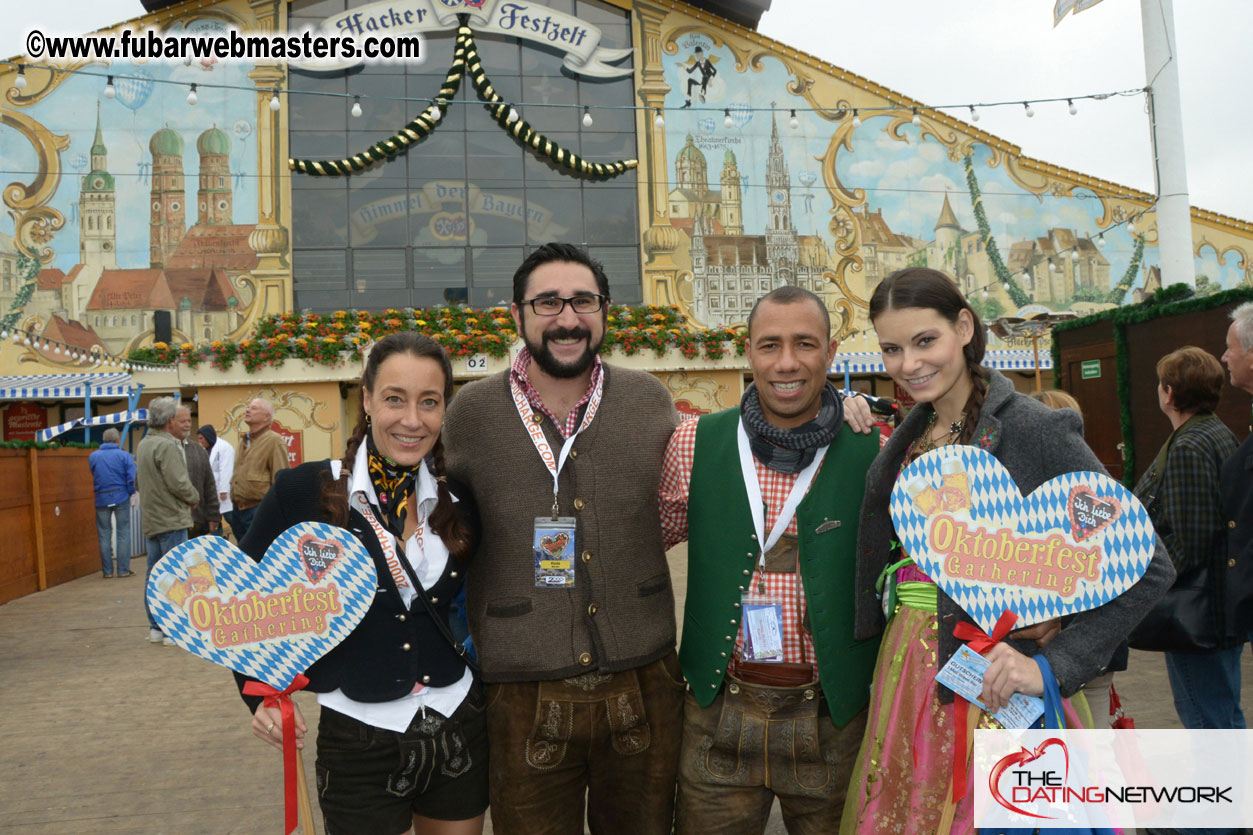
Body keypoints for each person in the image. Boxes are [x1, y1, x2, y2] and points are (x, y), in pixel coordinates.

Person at [842, 267, 1174, 834]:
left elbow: (1148, 565)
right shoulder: (910, 431)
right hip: (907, 677)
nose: (909, 364)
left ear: (964, 327)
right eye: (892, 349)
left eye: (926, 340)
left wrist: (1056, 657)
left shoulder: (1034, 429)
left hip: (994, 687)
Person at [443, 243, 684, 835]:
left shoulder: (650, 399)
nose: (568, 318)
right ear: (518, 315)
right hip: (520, 687)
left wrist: (848, 406)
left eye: (583, 301)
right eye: (548, 302)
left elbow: (733, 457)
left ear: (605, 311)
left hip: (643, 673)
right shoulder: (469, 413)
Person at [237, 333, 486, 835]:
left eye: (429, 402)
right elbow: (242, 600)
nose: (412, 420)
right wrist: (258, 695)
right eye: (395, 398)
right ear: (367, 398)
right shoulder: (304, 492)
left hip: (458, 723)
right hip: (358, 736)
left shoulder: (459, 497)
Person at [659, 286, 880, 833]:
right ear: (748, 351)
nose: (786, 362)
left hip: (836, 716)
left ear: (830, 353)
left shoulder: (875, 448)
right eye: (770, 345)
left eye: (805, 344)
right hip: (717, 710)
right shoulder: (693, 442)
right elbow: (640, 545)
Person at [1134, 347, 1241, 729]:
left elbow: (1191, 540)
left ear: (1169, 393)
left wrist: (1146, 582)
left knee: (1205, 716)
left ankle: (1225, 788)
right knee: (1223, 712)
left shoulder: (1188, 446)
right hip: (1215, 604)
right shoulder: (1213, 432)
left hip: (1196, 610)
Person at [135, 396, 200, 646]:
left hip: (152, 518)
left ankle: (156, 627)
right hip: (172, 517)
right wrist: (193, 497)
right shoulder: (168, 446)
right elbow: (179, 482)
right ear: (170, 420)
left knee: (154, 574)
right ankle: (173, 629)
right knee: (174, 574)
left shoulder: (144, 444)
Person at [228, 397, 288, 543]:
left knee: (258, 555)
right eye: (248, 407)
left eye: (254, 408)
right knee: (245, 556)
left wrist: (272, 513)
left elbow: (280, 480)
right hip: (238, 511)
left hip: (258, 510)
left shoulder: (274, 441)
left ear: (266, 416)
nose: (247, 410)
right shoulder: (244, 440)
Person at [89, 427, 136, 578]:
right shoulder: (124, 455)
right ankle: (123, 570)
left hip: (101, 498)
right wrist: (130, 492)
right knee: (123, 533)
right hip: (121, 496)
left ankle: (107, 571)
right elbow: (131, 476)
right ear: (117, 440)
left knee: (104, 534)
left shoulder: (93, 456)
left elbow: (94, 473)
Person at [176, 405, 220, 538]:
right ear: (171, 422)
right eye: (182, 421)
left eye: (189, 421)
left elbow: (209, 485)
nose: (187, 425)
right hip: (170, 523)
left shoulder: (198, 450)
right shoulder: (162, 449)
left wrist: (213, 515)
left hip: (196, 522)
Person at [197, 424, 234, 537]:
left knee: (230, 517)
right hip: (211, 492)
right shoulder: (205, 450)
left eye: (201, 438)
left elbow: (226, 469)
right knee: (214, 519)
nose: (200, 442)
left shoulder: (224, 447)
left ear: (208, 436)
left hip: (222, 490)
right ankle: (218, 541)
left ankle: (242, 539)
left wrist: (223, 490)